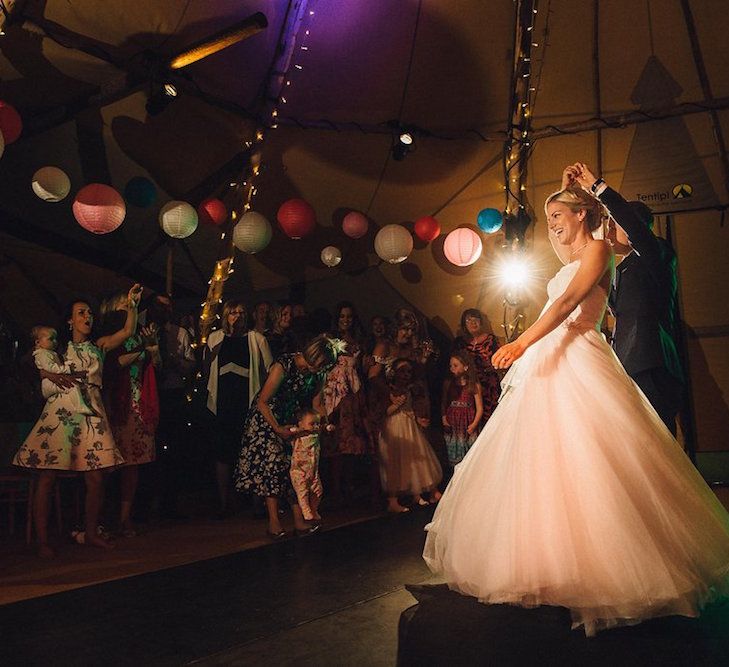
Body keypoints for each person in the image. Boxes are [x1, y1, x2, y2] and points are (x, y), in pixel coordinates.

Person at [423, 185, 729, 636]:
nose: (554, 227)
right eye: (549, 221)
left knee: (592, 459)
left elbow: (567, 304)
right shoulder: (570, 259)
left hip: (578, 355)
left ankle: (606, 564)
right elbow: (559, 296)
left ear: (584, 215)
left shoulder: (602, 249)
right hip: (551, 360)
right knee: (545, 464)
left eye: (560, 216)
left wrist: (523, 340)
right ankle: (546, 561)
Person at [14, 284, 142, 557]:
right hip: (62, 412)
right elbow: (34, 363)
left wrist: (132, 304)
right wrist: (47, 375)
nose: (88, 317)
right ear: (71, 320)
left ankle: (92, 531)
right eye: (81, 313)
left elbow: (127, 332)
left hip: (91, 412)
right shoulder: (58, 347)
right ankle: (43, 540)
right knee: (47, 476)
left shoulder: (100, 345)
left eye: (90, 313)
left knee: (95, 477)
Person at [562, 162, 684, 435]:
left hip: (651, 361)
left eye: (613, 224)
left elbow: (632, 226)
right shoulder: (619, 268)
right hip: (625, 362)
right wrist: (569, 196)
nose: (607, 230)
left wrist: (595, 187)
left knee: (658, 437)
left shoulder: (657, 254)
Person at [234, 334, 338, 539]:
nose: (321, 370)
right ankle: (274, 522)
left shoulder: (317, 373)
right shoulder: (284, 365)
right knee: (273, 468)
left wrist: (325, 423)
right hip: (267, 419)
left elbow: (317, 403)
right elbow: (263, 401)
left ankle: (299, 520)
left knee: (296, 468)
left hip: (292, 421)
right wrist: (277, 427)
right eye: (320, 365)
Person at [204, 300, 272, 517]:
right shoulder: (215, 338)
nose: (237, 317)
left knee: (251, 451)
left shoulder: (256, 339)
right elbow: (206, 367)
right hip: (223, 402)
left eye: (241, 313)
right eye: (233, 313)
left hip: (248, 401)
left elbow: (269, 370)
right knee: (224, 452)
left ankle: (255, 500)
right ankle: (224, 501)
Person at [100, 293, 161, 536]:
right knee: (106, 466)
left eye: (130, 306)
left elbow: (155, 365)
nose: (129, 308)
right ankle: (101, 517)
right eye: (124, 306)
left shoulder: (139, 335)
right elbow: (115, 364)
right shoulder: (107, 338)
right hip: (114, 404)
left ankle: (125, 519)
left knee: (131, 466)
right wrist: (142, 350)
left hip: (137, 404)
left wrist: (153, 349)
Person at [322, 301, 375, 505]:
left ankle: (348, 485)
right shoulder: (330, 340)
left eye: (349, 317)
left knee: (351, 442)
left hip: (353, 394)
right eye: (342, 316)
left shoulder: (358, 341)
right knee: (336, 440)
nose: (345, 320)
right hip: (335, 393)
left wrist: (366, 363)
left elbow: (359, 367)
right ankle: (335, 488)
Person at [377, 358, 442, 512]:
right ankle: (393, 500)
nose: (406, 375)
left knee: (414, 459)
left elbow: (411, 408)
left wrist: (417, 418)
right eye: (402, 371)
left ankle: (418, 494)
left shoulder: (409, 389)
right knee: (396, 460)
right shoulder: (389, 389)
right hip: (394, 427)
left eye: (408, 372)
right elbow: (385, 412)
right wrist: (397, 404)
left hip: (408, 425)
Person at [29, 325, 94, 416]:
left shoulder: (50, 353)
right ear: (38, 342)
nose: (55, 342)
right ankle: (80, 407)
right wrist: (67, 368)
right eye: (51, 339)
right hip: (49, 383)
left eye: (55, 339)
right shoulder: (42, 354)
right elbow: (51, 368)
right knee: (72, 387)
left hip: (51, 382)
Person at [452, 309, 501, 424]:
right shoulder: (459, 342)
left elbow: (498, 362)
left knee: (489, 419)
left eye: (476, 319)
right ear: (464, 324)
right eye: (469, 320)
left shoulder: (491, 340)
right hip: (466, 385)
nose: (473, 323)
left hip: (488, 386)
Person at [441, 351, 483, 467]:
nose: (452, 369)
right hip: (453, 422)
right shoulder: (448, 383)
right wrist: (444, 418)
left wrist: (474, 424)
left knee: (469, 452)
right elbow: (444, 402)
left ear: (465, 367)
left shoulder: (473, 384)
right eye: (450, 366)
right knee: (454, 449)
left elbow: (479, 407)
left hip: (467, 421)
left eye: (455, 365)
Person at [289, 407, 328, 522]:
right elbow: (291, 431)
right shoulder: (298, 435)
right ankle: (306, 512)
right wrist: (299, 430)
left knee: (318, 491)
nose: (315, 426)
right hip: (299, 471)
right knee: (302, 493)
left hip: (313, 471)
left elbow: (323, 428)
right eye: (312, 424)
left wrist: (326, 427)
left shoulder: (315, 434)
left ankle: (314, 509)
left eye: (317, 424)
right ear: (301, 424)